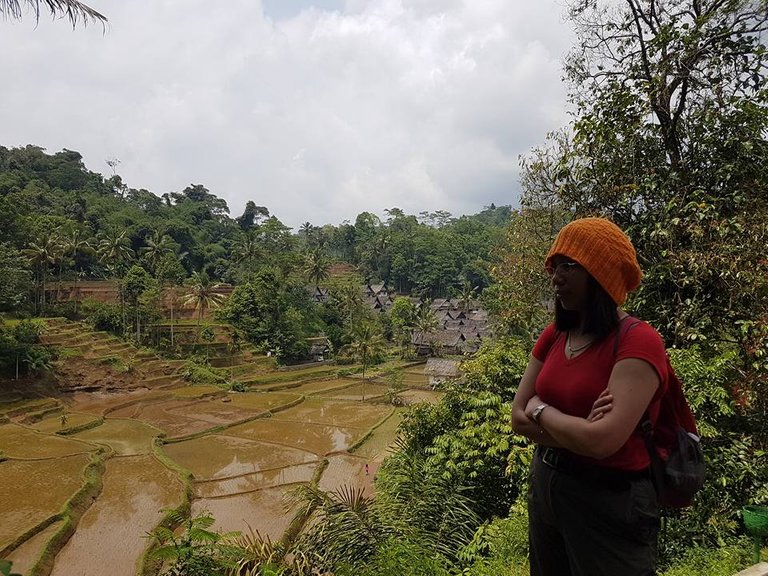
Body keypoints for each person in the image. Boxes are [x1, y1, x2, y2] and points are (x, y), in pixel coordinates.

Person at [511, 217, 670, 576]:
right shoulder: (554, 335)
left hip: (609, 499)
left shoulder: (638, 341)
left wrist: (541, 409)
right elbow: (516, 416)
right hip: (548, 485)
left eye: (569, 265)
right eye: (554, 266)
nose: (556, 277)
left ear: (600, 274)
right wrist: (579, 428)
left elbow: (602, 442)